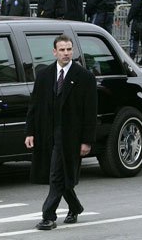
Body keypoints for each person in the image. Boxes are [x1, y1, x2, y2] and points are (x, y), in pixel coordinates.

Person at [25, 34, 97, 230]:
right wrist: (30, 132)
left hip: (71, 136)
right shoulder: (44, 75)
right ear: (54, 52)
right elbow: (34, 106)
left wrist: (87, 141)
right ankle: (74, 207)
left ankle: (48, 216)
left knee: (56, 175)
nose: (66, 53)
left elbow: (90, 113)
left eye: (69, 49)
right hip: (47, 133)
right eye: (62, 50)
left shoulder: (85, 77)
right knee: (60, 173)